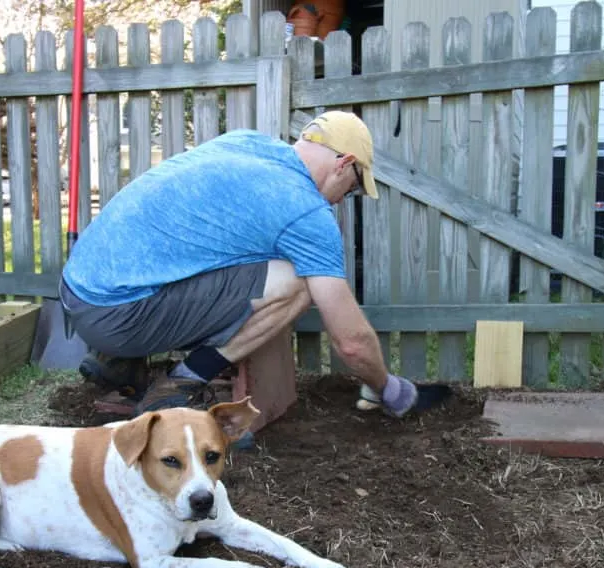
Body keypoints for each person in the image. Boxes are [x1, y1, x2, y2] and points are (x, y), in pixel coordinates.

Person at [58, 110, 420, 417]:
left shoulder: (248, 143)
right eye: (354, 188)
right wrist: (387, 388)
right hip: (116, 316)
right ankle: (180, 384)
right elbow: (351, 342)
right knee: (297, 281)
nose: (344, 200)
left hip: (79, 292)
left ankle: (120, 362)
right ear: (344, 164)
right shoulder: (306, 210)